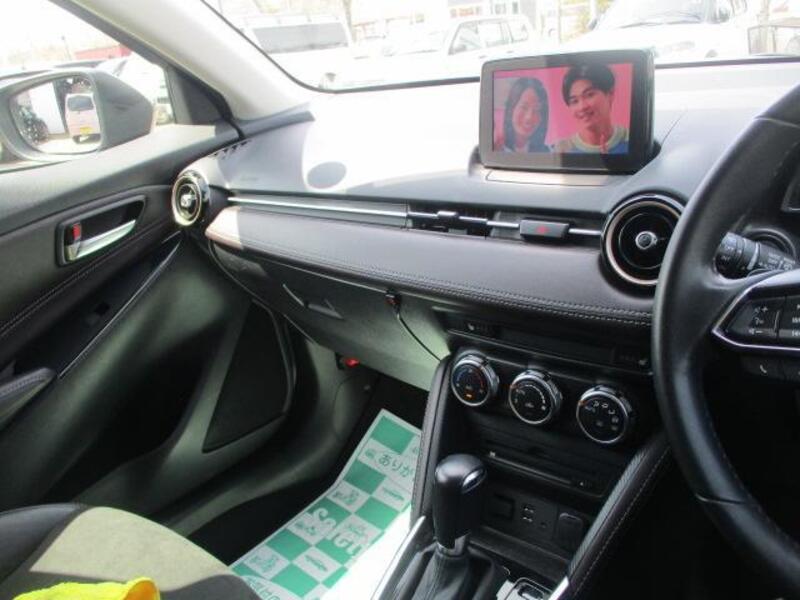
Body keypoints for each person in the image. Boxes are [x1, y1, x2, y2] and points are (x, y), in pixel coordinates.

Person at [553, 64, 629, 154]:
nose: (582, 107)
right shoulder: (562, 150)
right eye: (574, 101)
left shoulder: (630, 139)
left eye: (589, 95)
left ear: (610, 94)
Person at [498, 77, 549, 153]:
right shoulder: (498, 149)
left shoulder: (547, 152)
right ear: (511, 109)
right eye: (524, 107)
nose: (529, 117)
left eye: (536, 110)